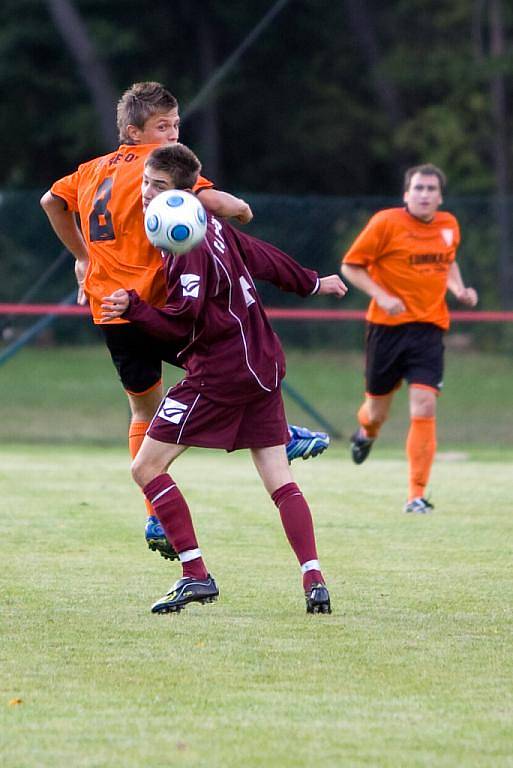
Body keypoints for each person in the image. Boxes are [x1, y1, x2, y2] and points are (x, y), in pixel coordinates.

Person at [40, 82, 329, 561]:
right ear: (135, 132)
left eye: (176, 125)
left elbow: (51, 202)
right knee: (230, 360)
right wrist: (239, 207)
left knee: (144, 410)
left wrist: (83, 257)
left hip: (111, 308)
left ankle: (156, 512)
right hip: (163, 310)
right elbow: (216, 204)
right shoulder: (157, 171)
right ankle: (277, 432)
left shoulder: (89, 171)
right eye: (163, 127)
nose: (173, 133)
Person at [101, 142, 348, 614]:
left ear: (184, 195)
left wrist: (134, 308)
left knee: (145, 468)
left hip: (222, 373)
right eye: (146, 182)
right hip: (263, 364)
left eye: (158, 186)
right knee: (279, 478)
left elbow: (180, 321)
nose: (147, 193)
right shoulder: (210, 224)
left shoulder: (184, 244)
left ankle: (196, 576)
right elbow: (262, 256)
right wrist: (312, 282)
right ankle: (314, 579)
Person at [341, 163, 478, 513]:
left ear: (440, 196)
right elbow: (351, 266)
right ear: (406, 194)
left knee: (425, 404)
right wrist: (382, 296)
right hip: (386, 330)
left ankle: (415, 495)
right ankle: (366, 434)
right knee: (376, 411)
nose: (425, 194)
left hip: (429, 328)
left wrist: (459, 289)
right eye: (418, 188)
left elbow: (447, 262)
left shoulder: (449, 225)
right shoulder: (386, 223)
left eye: (431, 189)